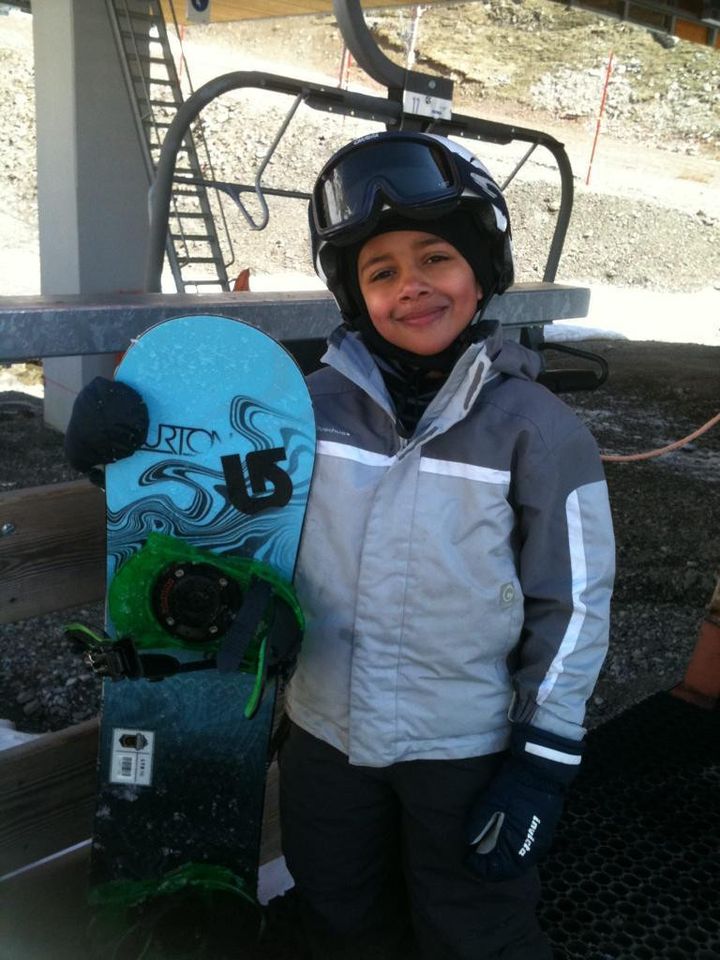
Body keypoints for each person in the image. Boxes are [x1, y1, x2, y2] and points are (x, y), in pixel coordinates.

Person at [65, 132, 615, 960]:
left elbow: (573, 604)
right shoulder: (302, 413)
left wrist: (541, 759)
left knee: (474, 928)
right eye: (381, 271)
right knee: (339, 918)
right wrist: (120, 453)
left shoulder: (535, 431)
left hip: (461, 748)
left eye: (436, 257)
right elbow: (209, 503)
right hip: (325, 737)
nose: (412, 286)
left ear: (482, 271)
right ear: (356, 296)